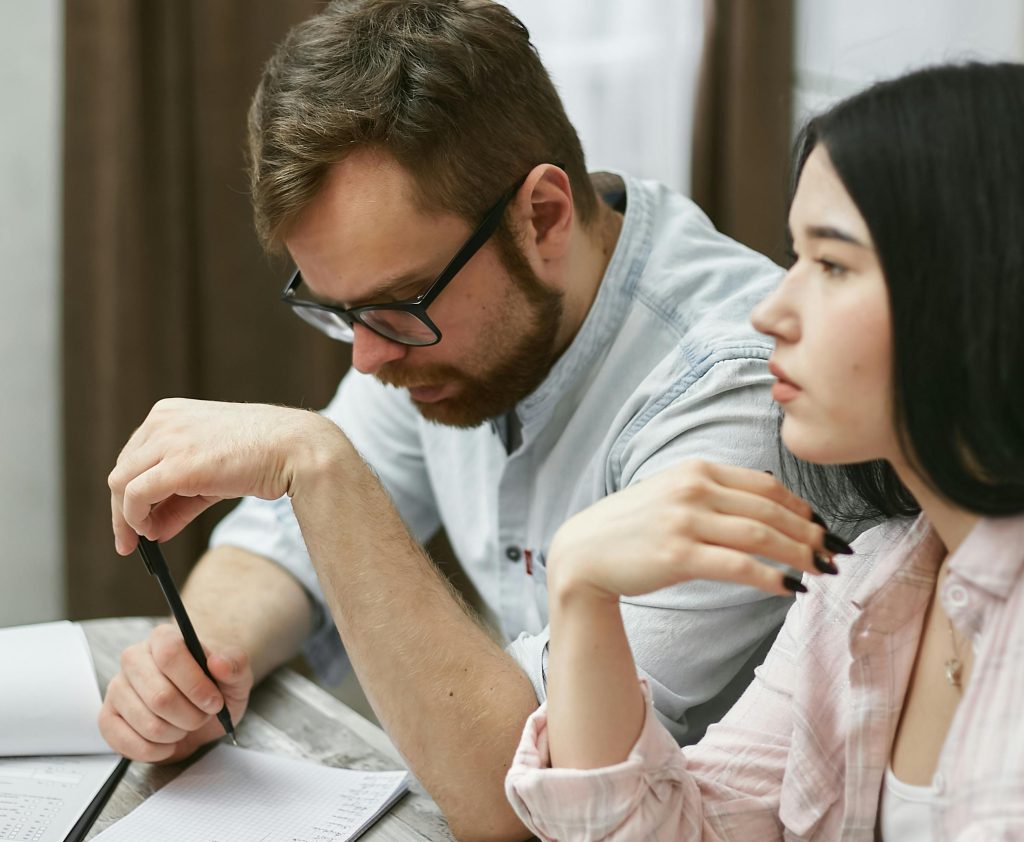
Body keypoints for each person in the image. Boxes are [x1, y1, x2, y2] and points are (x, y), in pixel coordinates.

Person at [99, 2, 843, 837]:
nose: (368, 358)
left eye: (395, 305)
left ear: (544, 217)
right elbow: (278, 555)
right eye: (339, 311)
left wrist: (319, 464)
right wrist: (197, 666)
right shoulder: (442, 334)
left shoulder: (738, 395)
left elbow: (520, 798)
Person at [504, 61, 1024, 840]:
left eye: (833, 263)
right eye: (795, 258)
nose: (771, 312)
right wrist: (581, 590)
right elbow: (674, 829)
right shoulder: (871, 581)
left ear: (977, 288)